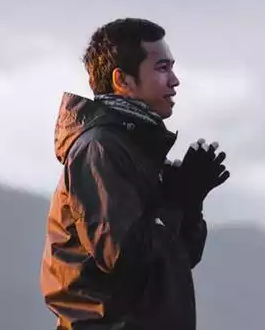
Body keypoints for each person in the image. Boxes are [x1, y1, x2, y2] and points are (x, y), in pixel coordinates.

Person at [41, 18, 229, 330]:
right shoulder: (100, 149)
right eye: (162, 68)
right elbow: (124, 255)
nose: (175, 80)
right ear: (123, 80)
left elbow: (179, 260)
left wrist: (191, 199)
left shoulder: (137, 150)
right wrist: (177, 200)